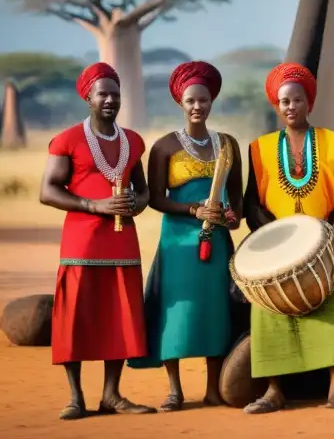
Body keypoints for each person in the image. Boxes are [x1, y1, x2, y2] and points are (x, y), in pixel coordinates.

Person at [40, 63, 155, 420]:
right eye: (102, 93)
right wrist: (94, 205)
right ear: (87, 97)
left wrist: (136, 203)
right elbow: (47, 191)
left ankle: (112, 396)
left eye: (115, 94)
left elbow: (145, 189)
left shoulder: (133, 141)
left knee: (119, 315)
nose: (110, 100)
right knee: (76, 317)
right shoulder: (68, 139)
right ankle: (75, 397)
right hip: (82, 245)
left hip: (122, 243)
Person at [241, 63, 334, 413]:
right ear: (276, 106)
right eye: (283, 102)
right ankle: (274, 390)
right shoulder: (259, 148)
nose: (290, 106)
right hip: (277, 249)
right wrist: (273, 234)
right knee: (269, 313)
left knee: (331, 309)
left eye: (296, 100)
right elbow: (251, 203)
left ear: (309, 102)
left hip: (321, 246)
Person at [128, 61, 243, 410]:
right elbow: (156, 199)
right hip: (177, 243)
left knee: (215, 311)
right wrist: (193, 209)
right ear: (181, 101)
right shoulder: (164, 147)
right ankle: (175, 390)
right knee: (175, 312)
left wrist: (227, 216)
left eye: (204, 100)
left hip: (217, 243)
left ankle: (211, 389)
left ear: (212, 102)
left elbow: (236, 200)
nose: (197, 106)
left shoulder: (228, 144)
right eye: (191, 100)